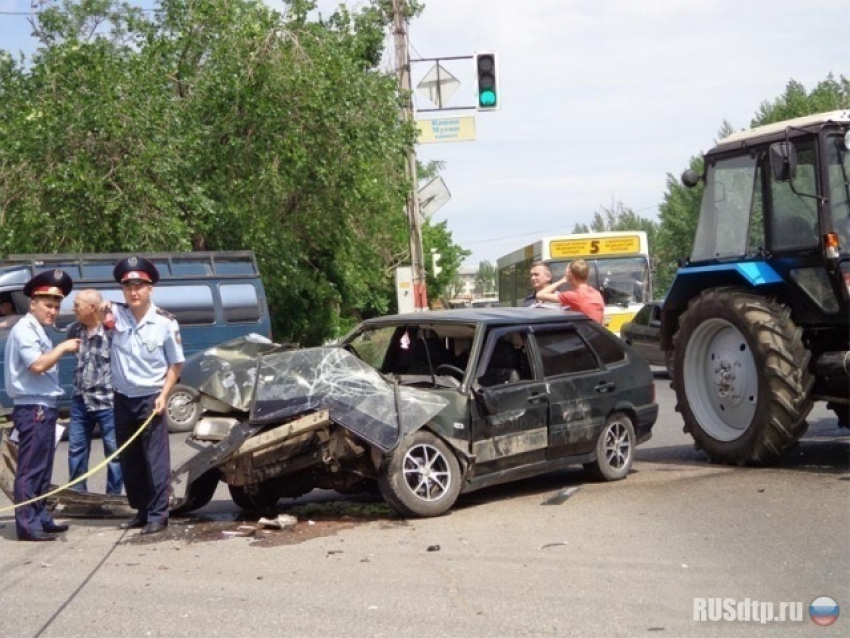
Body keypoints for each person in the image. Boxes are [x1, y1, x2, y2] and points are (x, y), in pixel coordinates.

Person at [104, 256, 184, 535]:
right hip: (122, 397)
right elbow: (88, 305)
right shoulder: (116, 316)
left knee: (154, 460)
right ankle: (140, 510)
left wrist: (164, 395)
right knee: (130, 460)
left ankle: (158, 514)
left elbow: (175, 364)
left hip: (151, 397)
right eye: (128, 287)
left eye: (139, 286)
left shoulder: (165, 323)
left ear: (150, 288)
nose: (133, 292)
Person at [5, 270, 80, 541]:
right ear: (33, 303)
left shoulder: (39, 330)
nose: (53, 312)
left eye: (57, 307)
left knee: (43, 467)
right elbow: (37, 365)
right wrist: (63, 348)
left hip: (44, 405)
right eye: (48, 305)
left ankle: (40, 515)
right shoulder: (25, 329)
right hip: (32, 406)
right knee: (30, 469)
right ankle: (27, 523)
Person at [67, 289, 123, 496]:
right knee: (76, 450)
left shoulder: (112, 330)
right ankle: (77, 496)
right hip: (80, 400)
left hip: (107, 401)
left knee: (114, 453)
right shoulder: (74, 330)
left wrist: (109, 307)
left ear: (92, 308)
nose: (73, 308)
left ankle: (113, 498)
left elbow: (127, 312)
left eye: (77, 304)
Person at [536, 259, 605, 324]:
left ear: (570, 275)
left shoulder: (573, 296)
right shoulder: (597, 294)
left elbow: (540, 295)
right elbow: (602, 321)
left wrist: (563, 279)